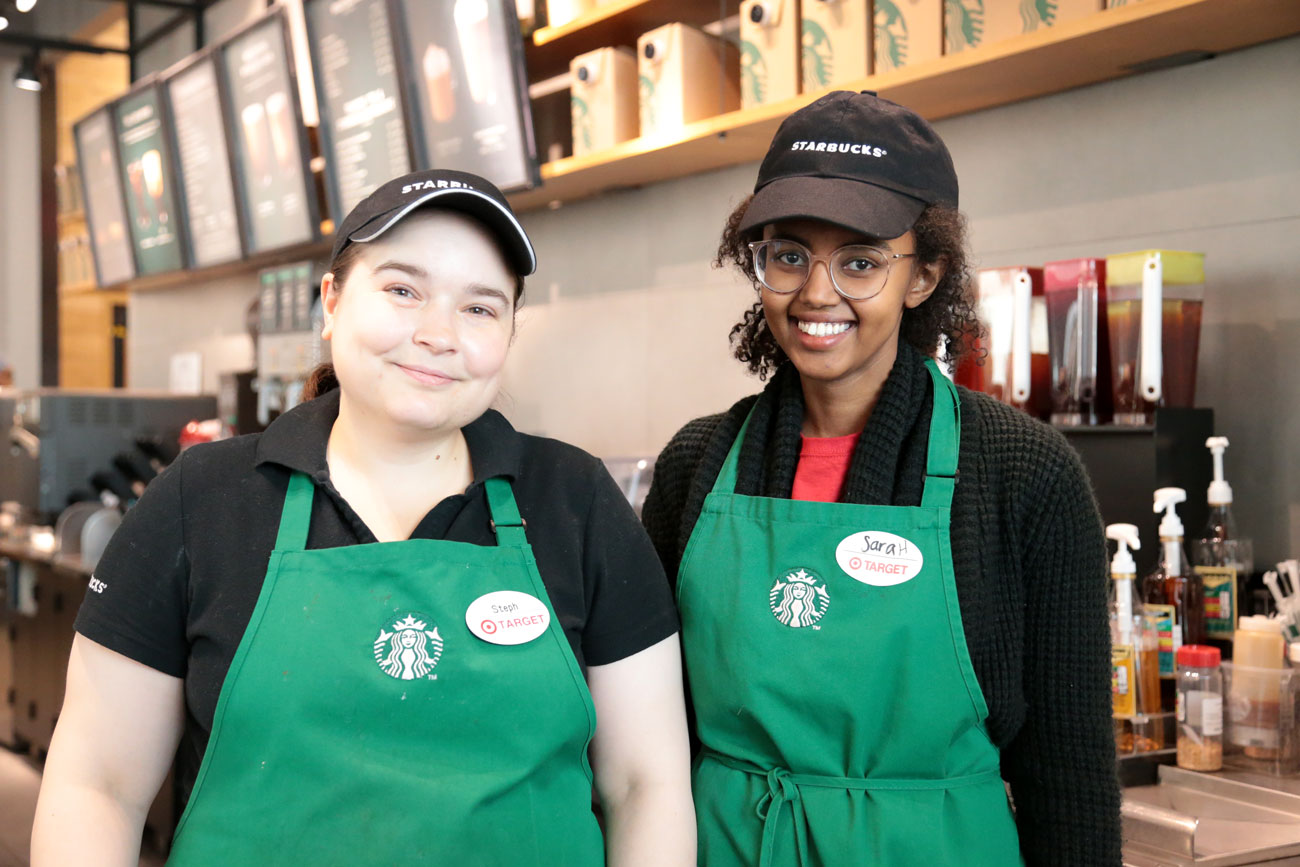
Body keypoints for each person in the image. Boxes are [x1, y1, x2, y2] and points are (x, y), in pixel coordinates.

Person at [33, 169, 695, 866]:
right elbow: (97, 785)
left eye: (480, 308)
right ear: (331, 300)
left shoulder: (578, 501)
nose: (439, 334)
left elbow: (645, 785)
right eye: (403, 290)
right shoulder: (201, 499)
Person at [641, 92, 1120, 865]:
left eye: (860, 261)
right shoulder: (695, 465)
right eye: (788, 254)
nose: (817, 293)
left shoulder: (1022, 473)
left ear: (924, 275)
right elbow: (643, 738)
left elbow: (1069, 782)